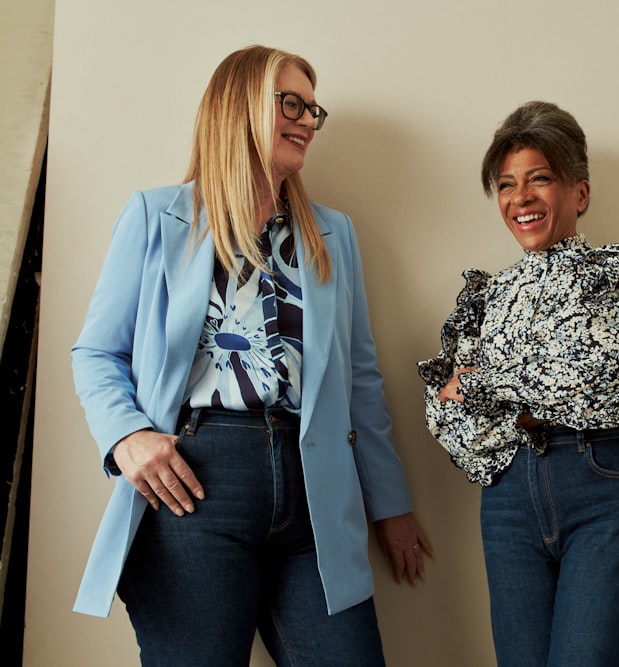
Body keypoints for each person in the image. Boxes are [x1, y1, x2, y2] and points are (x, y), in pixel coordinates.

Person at [72, 45, 432, 666]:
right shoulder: (157, 217)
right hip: (195, 485)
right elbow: (97, 352)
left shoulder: (332, 234)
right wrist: (126, 436)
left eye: (312, 109)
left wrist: (391, 504)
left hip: (315, 485)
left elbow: (361, 380)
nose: (305, 120)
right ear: (237, 107)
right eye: (289, 102)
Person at [418, 100, 619, 666]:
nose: (520, 198)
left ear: (579, 193)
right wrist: (514, 389)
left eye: (539, 179)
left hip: (606, 486)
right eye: (506, 184)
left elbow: (590, 379)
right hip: (510, 500)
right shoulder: (486, 299)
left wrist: (482, 387)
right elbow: (451, 425)